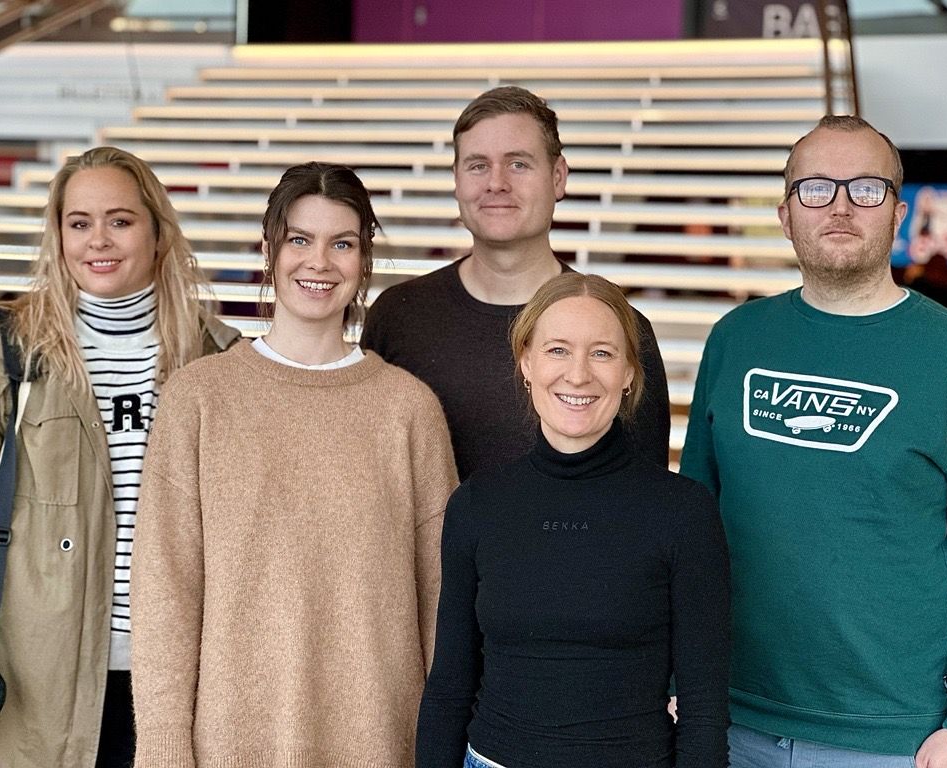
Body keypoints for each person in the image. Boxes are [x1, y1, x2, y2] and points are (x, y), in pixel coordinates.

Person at [130, 162, 458, 767]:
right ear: (269, 249)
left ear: (363, 262)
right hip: (232, 743)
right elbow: (165, 596)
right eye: (300, 240)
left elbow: (442, 608)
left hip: (381, 742)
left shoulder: (409, 410)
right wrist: (164, 747)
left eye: (343, 243)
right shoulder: (199, 399)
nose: (320, 261)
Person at [0, 146, 239, 768]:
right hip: (30, 682)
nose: (97, 240)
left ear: (157, 232)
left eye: (120, 221)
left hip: (180, 679)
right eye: (79, 223)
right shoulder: (6, 349)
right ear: (59, 235)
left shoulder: (217, 359)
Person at [680, 115, 947, 768]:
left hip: (898, 738)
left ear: (897, 211)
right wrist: (678, 682)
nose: (839, 205)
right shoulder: (736, 339)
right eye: (815, 188)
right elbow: (689, 533)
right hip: (731, 720)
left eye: (865, 188)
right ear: (785, 213)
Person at [416, 273, 730, 768]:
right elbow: (449, 685)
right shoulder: (477, 504)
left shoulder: (683, 513)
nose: (578, 374)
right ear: (527, 363)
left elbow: (704, 707)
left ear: (629, 371)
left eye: (602, 353)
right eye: (558, 350)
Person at [362, 86, 670, 480]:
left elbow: (646, 495)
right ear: (456, 180)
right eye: (477, 165)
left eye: (518, 164)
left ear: (558, 177)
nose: (496, 183)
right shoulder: (398, 316)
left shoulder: (615, 327)